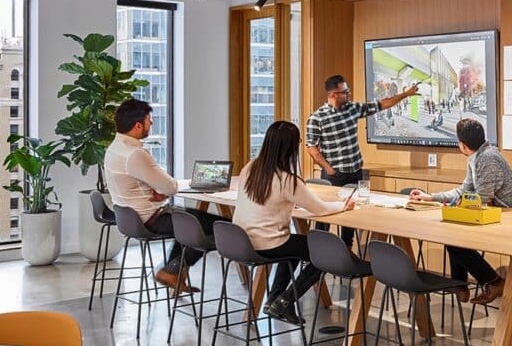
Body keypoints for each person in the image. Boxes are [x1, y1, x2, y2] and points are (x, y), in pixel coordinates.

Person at [233, 121, 354, 325]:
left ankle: (275, 300)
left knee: (297, 246)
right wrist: (344, 204)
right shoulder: (287, 180)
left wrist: (286, 204)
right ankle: (285, 302)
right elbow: (321, 209)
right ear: (290, 147)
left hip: (242, 242)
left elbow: (265, 200)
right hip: (267, 244)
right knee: (326, 253)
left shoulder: (251, 167)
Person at [104, 99, 225, 293]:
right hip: (151, 219)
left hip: (132, 218)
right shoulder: (135, 154)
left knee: (190, 220)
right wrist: (163, 190)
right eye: (149, 121)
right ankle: (171, 271)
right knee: (220, 225)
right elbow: (171, 186)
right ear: (137, 126)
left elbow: (155, 186)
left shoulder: (114, 148)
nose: (151, 124)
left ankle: (174, 274)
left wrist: (158, 190)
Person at [408, 119, 512, 305]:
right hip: (496, 215)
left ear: (462, 145)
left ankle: (493, 282)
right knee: (452, 237)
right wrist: (430, 197)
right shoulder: (476, 157)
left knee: (455, 241)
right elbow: (464, 191)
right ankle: (460, 285)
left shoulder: (487, 158)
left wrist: (455, 205)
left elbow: (482, 198)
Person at [305, 74, 418, 247]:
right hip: (334, 175)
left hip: (355, 172)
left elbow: (381, 104)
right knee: (324, 218)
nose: (349, 94)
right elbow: (311, 147)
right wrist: (328, 168)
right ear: (333, 94)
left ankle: (347, 253)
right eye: (345, 91)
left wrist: (406, 94)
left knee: (352, 216)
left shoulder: (352, 108)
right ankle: (321, 254)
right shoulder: (317, 118)